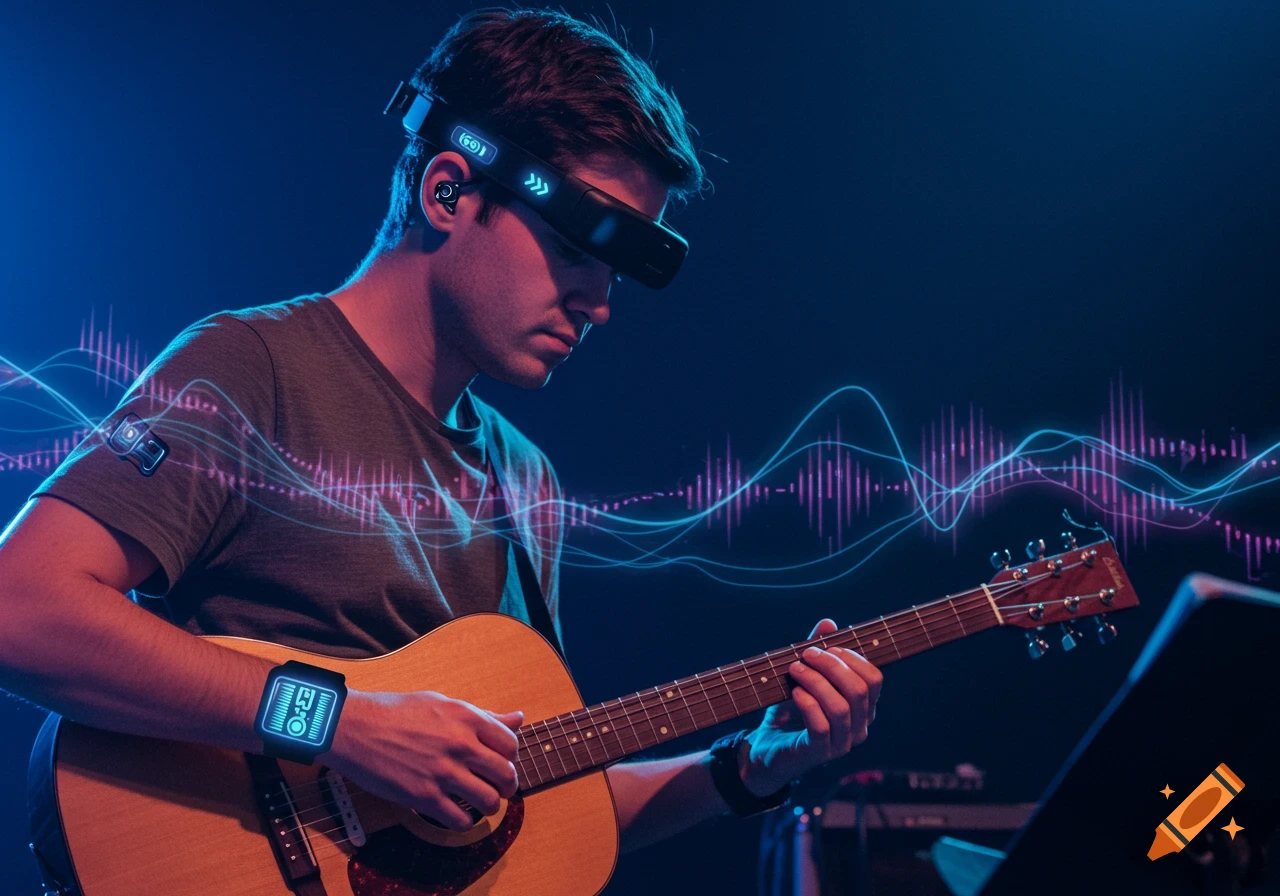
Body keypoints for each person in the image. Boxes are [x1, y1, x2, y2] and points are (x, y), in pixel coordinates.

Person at [0, 6, 882, 861]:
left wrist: (752, 769)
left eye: (614, 272)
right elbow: (21, 610)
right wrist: (339, 723)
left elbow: (526, 809)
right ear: (448, 191)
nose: (600, 304)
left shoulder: (526, 482)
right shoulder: (253, 368)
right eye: (577, 250)